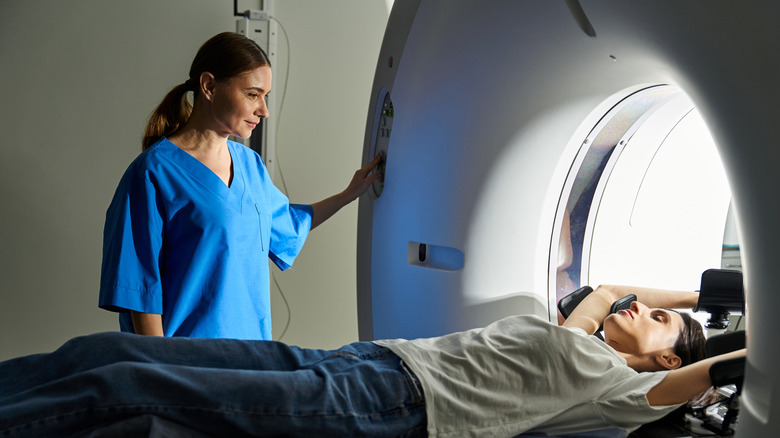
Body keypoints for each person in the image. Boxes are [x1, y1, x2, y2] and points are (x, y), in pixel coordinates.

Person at [0, 284, 744, 437]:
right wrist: (707, 293)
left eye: (660, 322)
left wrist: (729, 336)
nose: (642, 309)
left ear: (661, 361)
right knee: (112, 347)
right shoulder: (583, 328)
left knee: (129, 385)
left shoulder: (619, 388)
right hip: (364, 361)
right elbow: (612, 286)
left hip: (388, 407)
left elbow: (708, 372)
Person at [98, 32, 381, 339]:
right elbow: (140, 292)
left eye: (266, 97)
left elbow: (288, 222)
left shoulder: (251, 167)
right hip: (185, 366)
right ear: (208, 86)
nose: (264, 110)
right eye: (252, 95)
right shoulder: (152, 174)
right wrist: (159, 374)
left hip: (252, 359)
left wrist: (348, 194)